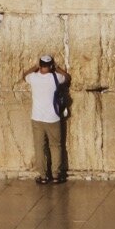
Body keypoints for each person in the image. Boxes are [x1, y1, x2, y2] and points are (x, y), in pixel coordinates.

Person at [23, 54, 70, 184]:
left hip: (37, 117)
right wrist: (58, 68)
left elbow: (24, 75)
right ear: (50, 65)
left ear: (40, 64)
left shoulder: (33, 77)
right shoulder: (56, 77)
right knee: (56, 146)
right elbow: (67, 77)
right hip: (53, 118)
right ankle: (55, 175)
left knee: (39, 147)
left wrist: (34, 68)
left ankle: (43, 176)